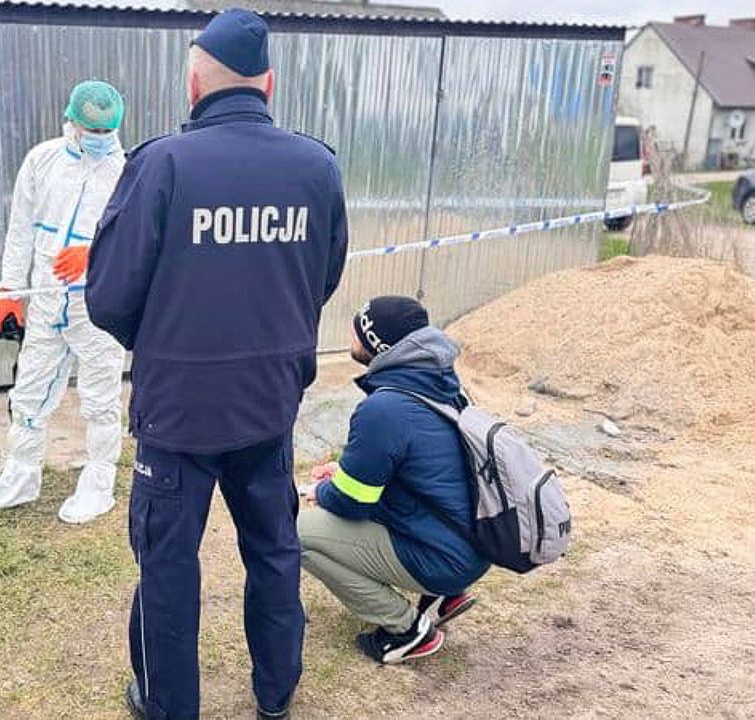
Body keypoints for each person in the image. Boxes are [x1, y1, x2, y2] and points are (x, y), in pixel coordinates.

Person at [86, 9, 349, 719]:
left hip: (179, 413)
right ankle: (276, 693)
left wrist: (172, 339)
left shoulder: (163, 164)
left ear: (194, 81)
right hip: (269, 404)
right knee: (272, 550)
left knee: (169, 565)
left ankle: (170, 705)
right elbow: (322, 277)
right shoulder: (316, 167)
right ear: (268, 82)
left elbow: (108, 298)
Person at [0, 80, 129, 524]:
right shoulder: (43, 160)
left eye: (103, 134)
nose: (96, 141)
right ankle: (21, 474)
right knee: (30, 390)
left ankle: (98, 480)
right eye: (89, 131)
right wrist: (8, 293)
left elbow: (139, 241)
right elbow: (20, 231)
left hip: (98, 307)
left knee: (100, 396)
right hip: (45, 299)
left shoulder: (128, 173)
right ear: (70, 121)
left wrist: (95, 252)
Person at [298, 297, 488, 665]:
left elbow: (352, 504)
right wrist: (343, 475)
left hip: (442, 556)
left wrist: (324, 491)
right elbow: (412, 471)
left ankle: (406, 630)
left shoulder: (385, 408)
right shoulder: (440, 383)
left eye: (357, 327)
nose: (350, 332)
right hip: (468, 543)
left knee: (293, 531)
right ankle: (442, 595)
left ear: (374, 342)